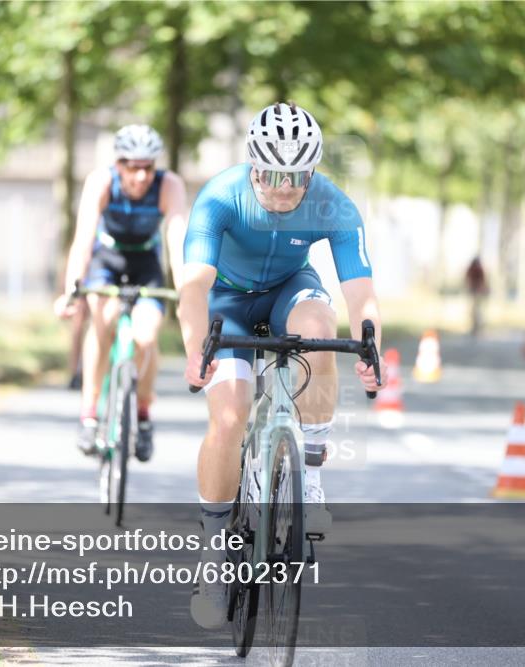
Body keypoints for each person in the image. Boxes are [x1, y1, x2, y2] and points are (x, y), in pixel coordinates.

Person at [177, 102, 386, 628]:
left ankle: (310, 476)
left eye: (295, 176)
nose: (282, 187)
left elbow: (360, 291)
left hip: (289, 292)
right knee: (229, 417)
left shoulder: (332, 204)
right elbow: (194, 287)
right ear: (252, 165)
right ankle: (214, 552)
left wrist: (370, 347)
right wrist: (193, 349)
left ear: (311, 172)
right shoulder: (221, 198)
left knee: (320, 331)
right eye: (270, 174)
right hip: (226, 300)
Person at [54, 125, 188, 461]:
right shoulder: (100, 182)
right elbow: (84, 238)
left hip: (146, 262)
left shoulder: (168, 185)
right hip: (107, 260)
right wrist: (73, 287)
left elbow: (176, 237)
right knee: (105, 319)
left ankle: (142, 416)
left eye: (148, 167)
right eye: (132, 166)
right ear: (119, 166)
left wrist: (187, 286)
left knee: (146, 337)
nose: (141, 175)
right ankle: (89, 414)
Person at [464, 256, 487, 337]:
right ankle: (475, 328)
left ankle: (477, 328)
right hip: (474, 291)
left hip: (476, 291)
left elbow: (482, 280)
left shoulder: (478, 269)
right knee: (475, 311)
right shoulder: (474, 268)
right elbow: (468, 278)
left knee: (476, 311)